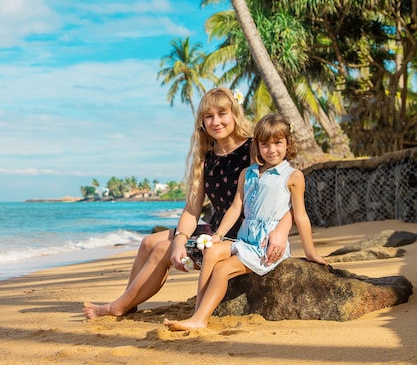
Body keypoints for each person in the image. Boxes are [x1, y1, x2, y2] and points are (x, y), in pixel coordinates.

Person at [83, 88, 292, 319]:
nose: (216, 122)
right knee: (147, 243)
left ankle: (116, 307)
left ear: (234, 113)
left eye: (222, 113)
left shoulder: (255, 148)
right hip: (217, 228)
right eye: (208, 116)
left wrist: (281, 231)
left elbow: (284, 191)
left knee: (162, 248)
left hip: (242, 234)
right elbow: (192, 210)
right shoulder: (206, 157)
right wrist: (180, 240)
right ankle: (128, 303)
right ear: (202, 122)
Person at [164, 114, 328, 331]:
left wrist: (311, 254)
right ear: (257, 146)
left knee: (222, 270)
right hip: (244, 239)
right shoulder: (247, 173)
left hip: (264, 247)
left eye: (278, 143)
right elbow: (235, 208)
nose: (272, 150)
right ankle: (196, 312)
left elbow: (300, 216)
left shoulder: (293, 176)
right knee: (211, 252)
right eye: (265, 144)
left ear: (288, 144)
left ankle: (200, 320)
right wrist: (218, 235)